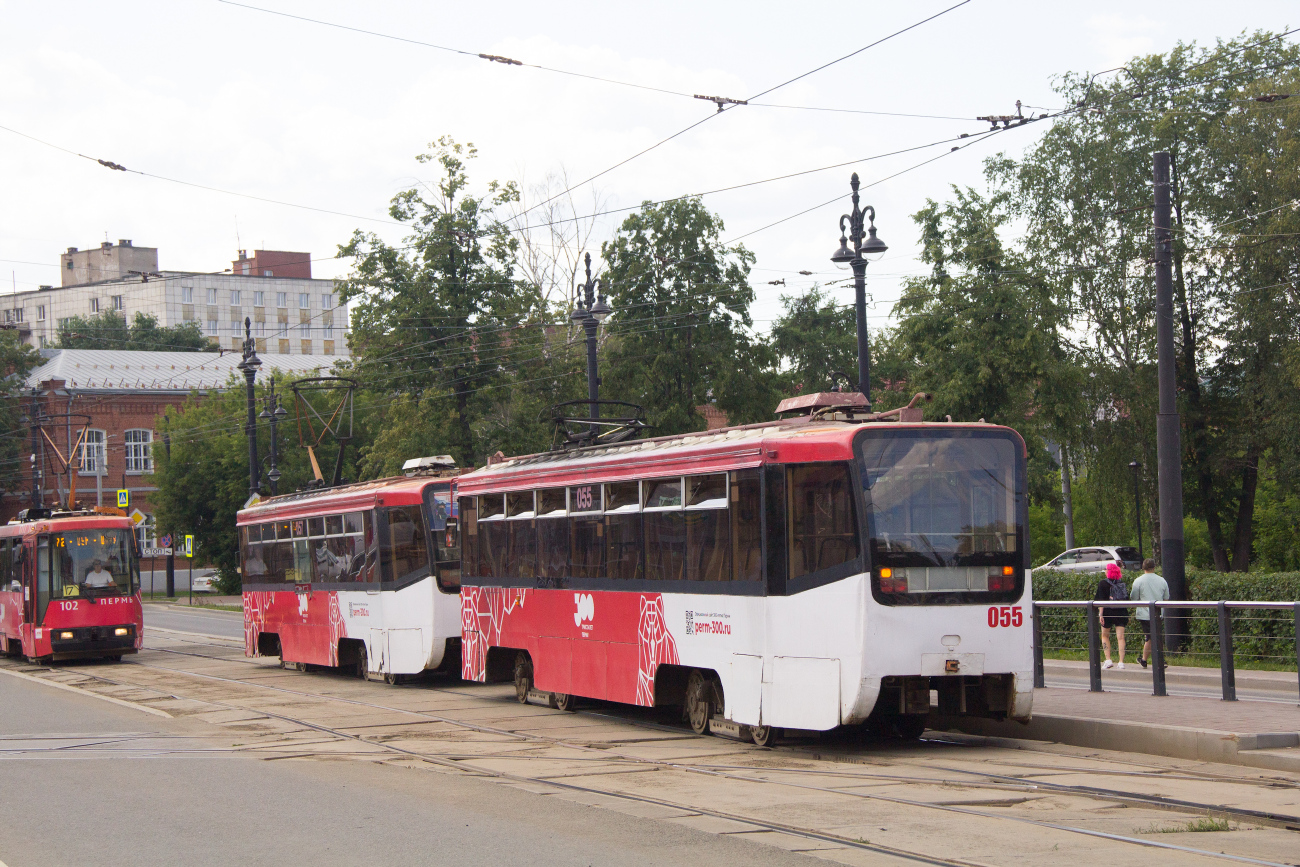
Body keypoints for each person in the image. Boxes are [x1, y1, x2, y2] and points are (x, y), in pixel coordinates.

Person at [1131, 558, 1170, 668]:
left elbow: (1134, 598)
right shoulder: (1162, 580)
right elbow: (1166, 598)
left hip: (1144, 614)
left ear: (1143, 567)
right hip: (1158, 613)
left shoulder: (1138, 581)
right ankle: (1149, 659)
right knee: (1153, 636)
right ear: (1154, 567)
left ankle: (1153, 660)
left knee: (1151, 637)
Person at [1094, 561, 1128, 669]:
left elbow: (1100, 600)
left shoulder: (1103, 583)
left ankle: (1108, 660)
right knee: (1121, 637)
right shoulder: (1121, 583)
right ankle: (1121, 662)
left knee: (1105, 636)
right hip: (1121, 612)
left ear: (1108, 571)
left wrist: (1101, 614)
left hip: (1108, 612)